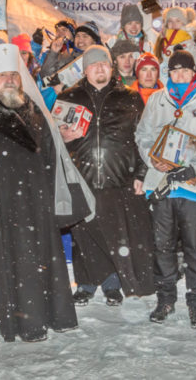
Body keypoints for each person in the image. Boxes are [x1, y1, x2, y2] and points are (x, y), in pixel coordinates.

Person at [0, 43, 95, 342]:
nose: (10, 81)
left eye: (14, 75)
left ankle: (38, 321)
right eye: (2, 76)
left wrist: (56, 200)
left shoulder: (34, 111)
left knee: (35, 264)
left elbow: (51, 160)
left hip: (34, 204)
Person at [135, 50, 196, 329]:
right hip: (161, 185)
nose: (180, 76)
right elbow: (142, 135)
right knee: (162, 246)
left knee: (195, 247)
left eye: (185, 71)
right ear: (169, 74)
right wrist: (151, 157)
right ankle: (165, 298)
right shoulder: (156, 99)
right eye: (175, 71)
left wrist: (193, 169)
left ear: (194, 73)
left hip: (192, 186)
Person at [58, 45, 155, 307]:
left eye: (104, 64)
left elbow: (144, 139)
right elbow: (53, 141)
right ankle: (86, 284)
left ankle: (113, 284)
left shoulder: (130, 97)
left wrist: (142, 172)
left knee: (114, 234)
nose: (99, 68)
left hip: (119, 177)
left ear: (111, 68)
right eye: (94, 64)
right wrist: (61, 136)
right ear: (86, 69)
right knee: (84, 236)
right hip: (80, 176)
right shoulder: (69, 97)